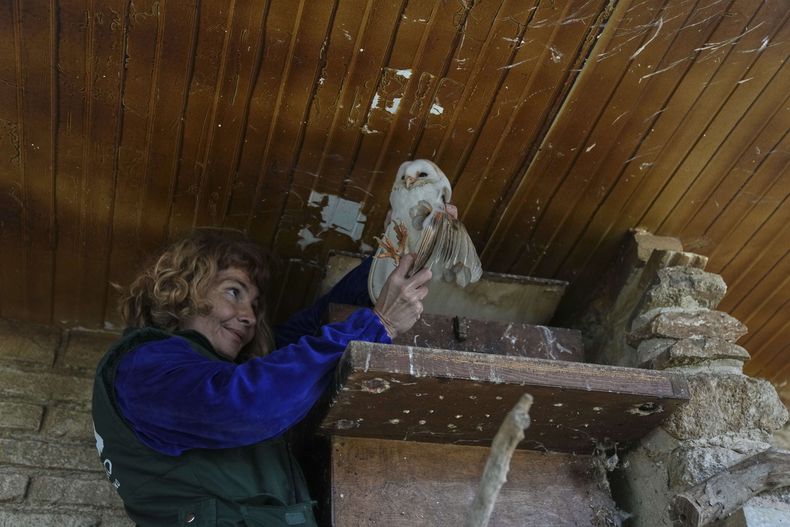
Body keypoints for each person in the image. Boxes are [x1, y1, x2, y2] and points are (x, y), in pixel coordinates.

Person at [91, 228, 431, 526]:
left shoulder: (220, 368)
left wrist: (400, 245)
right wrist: (380, 323)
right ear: (184, 288)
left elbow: (313, 328)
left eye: (255, 306)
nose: (249, 317)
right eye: (233, 292)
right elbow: (243, 403)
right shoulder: (140, 367)